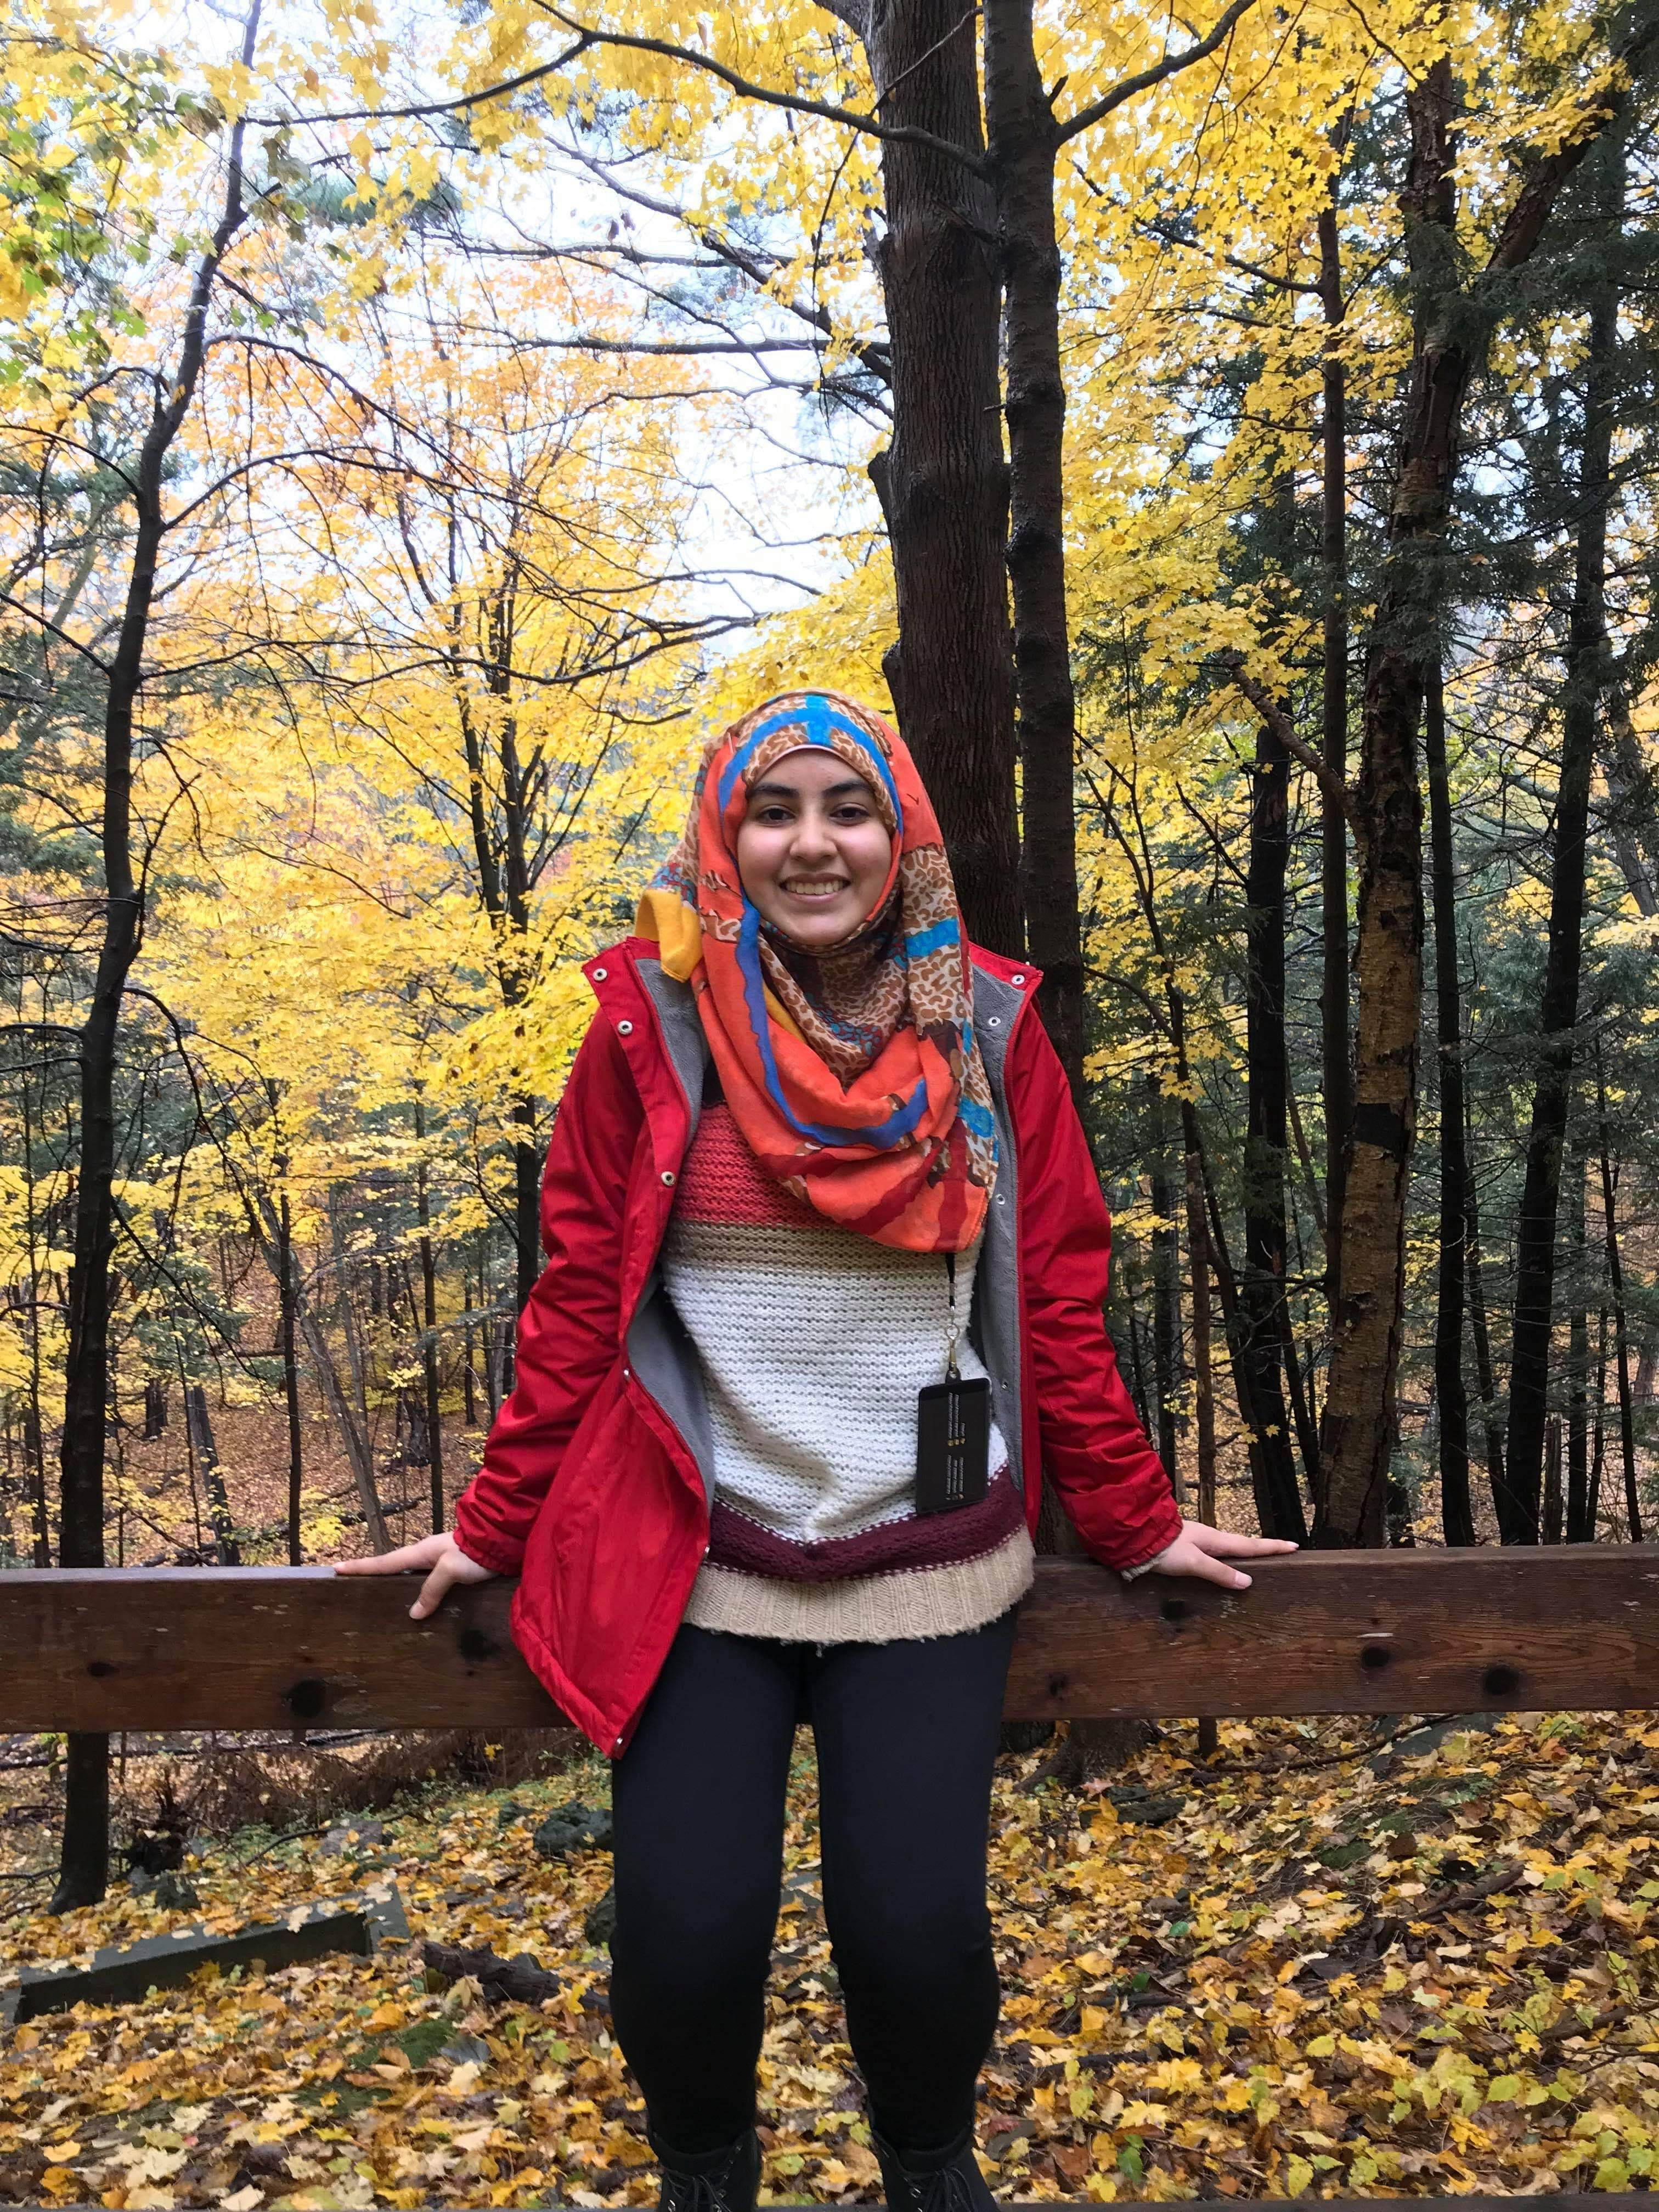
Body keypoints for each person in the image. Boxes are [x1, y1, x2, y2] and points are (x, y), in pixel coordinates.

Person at [340, 690, 1294, 2212]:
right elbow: (581, 1292)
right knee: (681, 1934)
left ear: (898, 828)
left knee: (916, 1938)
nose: (811, 843)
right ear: (727, 836)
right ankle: (705, 2178)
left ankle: (930, 2174)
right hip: (703, 1562)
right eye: (772, 810)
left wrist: (1130, 1515)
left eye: (846, 807)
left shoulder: (986, 1028)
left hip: (925, 1564)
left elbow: (1055, 1285)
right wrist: (494, 1518)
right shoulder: (646, 1027)